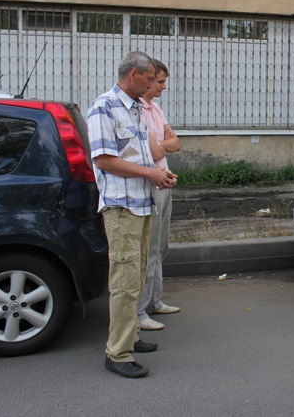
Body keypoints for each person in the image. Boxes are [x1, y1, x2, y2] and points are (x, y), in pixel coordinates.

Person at [87, 51, 177, 379]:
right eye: (151, 78)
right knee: (124, 281)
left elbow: (145, 155)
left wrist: (159, 175)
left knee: (136, 275)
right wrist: (151, 174)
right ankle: (118, 353)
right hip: (121, 208)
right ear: (135, 74)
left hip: (142, 204)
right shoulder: (103, 107)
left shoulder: (138, 108)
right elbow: (105, 160)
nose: (154, 84)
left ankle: (131, 337)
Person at [138, 59, 181, 331]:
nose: (164, 87)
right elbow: (154, 152)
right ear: (148, 80)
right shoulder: (136, 110)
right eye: (161, 81)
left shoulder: (155, 109)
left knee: (160, 246)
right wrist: (164, 145)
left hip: (164, 182)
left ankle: (155, 301)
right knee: (148, 250)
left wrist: (163, 145)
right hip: (150, 185)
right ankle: (139, 311)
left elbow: (174, 143)